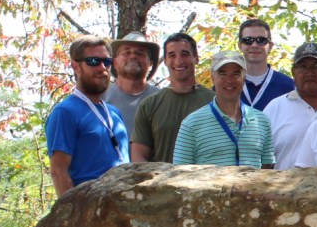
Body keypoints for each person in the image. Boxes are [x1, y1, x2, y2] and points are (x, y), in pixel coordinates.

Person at [45, 35, 129, 195]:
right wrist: (73, 217)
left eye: (107, 62)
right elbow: (58, 171)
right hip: (89, 209)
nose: (102, 68)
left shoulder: (114, 113)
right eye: (93, 61)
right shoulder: (65, 113)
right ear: (75, 66)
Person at [173, 51, 275, 168]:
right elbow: (179, 174)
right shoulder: (191, 124)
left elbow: (267, 169)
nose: (229, 80)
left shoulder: (261, 121)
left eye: (236, 74)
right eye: (223, 74)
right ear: (212, 78)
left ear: (244, 78)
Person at [131, 32, 213, 164]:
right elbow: (138, 156)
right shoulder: (149, 104)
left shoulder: (216, 102)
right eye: (172, 55)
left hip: (205, 182)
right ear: (165, 61)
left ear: (196, 58)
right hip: (161, 183)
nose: (178, 61)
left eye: (185, 54)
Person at [264, 42, 317, 170]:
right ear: (293, 72)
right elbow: (262, 160)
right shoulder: (275, 108)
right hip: (284, 188)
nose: (310, 73)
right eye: (303, 67)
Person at [103, 31, 160, 133]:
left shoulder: (161, 99)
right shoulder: (99, 98)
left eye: (140, 53)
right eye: (126, 52)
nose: (133, 56)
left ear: (150, 64)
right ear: (115, 62)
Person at [237, 18, 295, 111]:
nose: (254, 45)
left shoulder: (289, 87)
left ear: (270, 46)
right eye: (248, 40)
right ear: (240, 46)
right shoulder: (226, 85)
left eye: (261, 40)